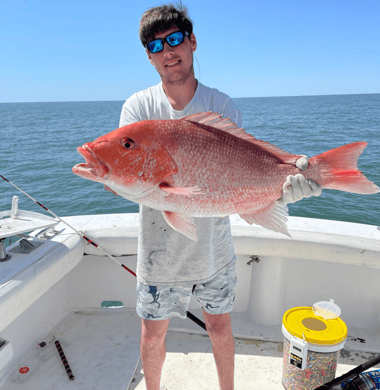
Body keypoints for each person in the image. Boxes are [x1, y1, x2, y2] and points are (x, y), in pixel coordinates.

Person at [115, 4, 321, 390]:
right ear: (148, 55)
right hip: (160, 255)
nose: (167, 51)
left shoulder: (221, 106)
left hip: (214, 251)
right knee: (152, 334)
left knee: (220, 326)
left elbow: (246, 170)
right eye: (155, 45)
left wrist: (286, 183)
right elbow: (134, 176)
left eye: (174, 39)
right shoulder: (138, 108)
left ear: (192, 42)